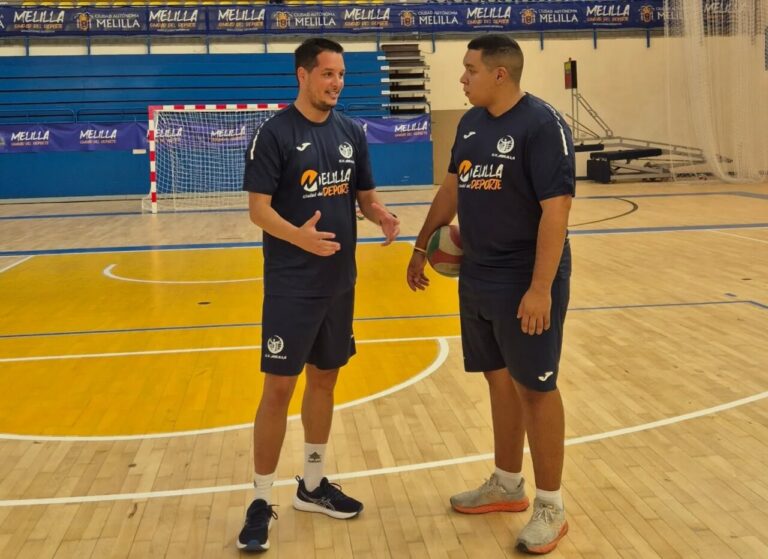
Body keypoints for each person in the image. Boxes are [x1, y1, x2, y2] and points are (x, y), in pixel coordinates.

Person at [407, 35, 574, 555]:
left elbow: (556, 212)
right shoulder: (471, 123)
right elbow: (453, 188)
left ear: (500, 74)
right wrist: (420, 246)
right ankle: (507, 484)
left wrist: (540, 288)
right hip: (478, 274)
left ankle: (551, 505)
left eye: (470, 69)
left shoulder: (542, 125)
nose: (462, 77)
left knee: (535, 390)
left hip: (525, 278)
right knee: (499, 382)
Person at [238, 37, 400, 552]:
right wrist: (300, 237)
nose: (336, 83)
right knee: (278, 391)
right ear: (303, 76)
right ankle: (261, 500)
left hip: (339, 283)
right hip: (291, 285)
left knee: (325, 382)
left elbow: (363, 193)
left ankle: (311, 485)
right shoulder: (275, 134)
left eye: (342, 75)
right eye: (327, 74)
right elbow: (258, 210)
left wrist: (379, 213)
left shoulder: (352, 131)